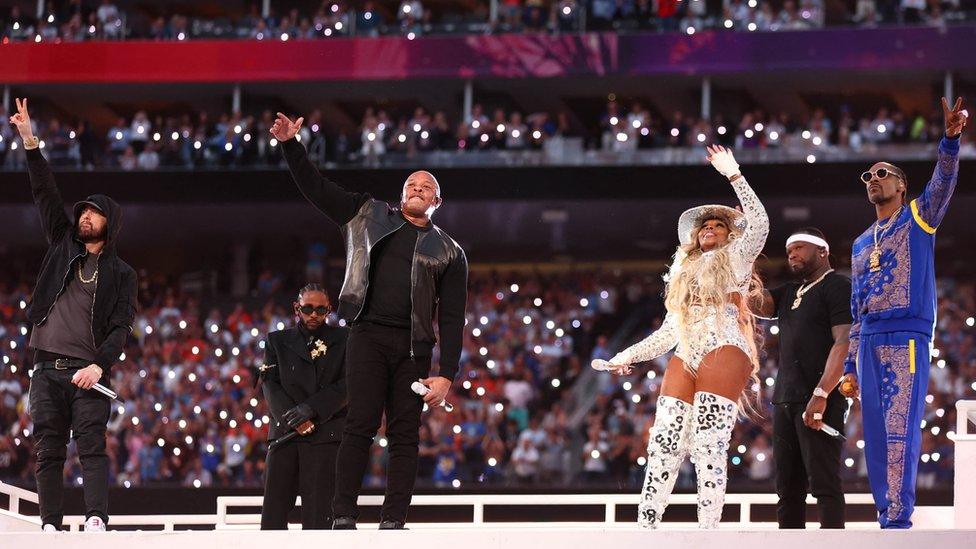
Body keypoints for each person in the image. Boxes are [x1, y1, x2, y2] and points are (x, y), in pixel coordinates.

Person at [271, 112, 468, 530]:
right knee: (359, 424)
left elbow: (452, 318)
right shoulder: (366, 213)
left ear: (437, 202)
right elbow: (316, 188)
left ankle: (394, 520)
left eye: (426, 187)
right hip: (366, 335)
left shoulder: (451, 252)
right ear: (401, 194)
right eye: (411, 185)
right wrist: (292, 145)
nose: (417, 189)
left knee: (404, 435)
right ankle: (342, 514)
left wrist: (446, 374)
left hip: (414, 347)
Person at [601, 144, 769, 529]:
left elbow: (759, 225)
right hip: (688, 349)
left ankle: (708, 530)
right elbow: (668, 332)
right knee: (664, 439)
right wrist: (626, 355)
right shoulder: (682, 274)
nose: (709, 229)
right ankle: (646, 527)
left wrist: (735, 175)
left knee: (709, 444)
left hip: (726, 345)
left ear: (729, 236)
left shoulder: (737, 258)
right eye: (704, 226)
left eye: (718, 226)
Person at [8, 98, 137, 532]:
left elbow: (121, 326)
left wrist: (100, 366)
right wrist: (30, 141)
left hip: (89, 373)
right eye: (82, 211)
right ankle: (49, 524)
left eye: (93, 213)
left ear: (109, 224)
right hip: (46, 369)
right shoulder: (62, 243)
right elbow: (45, 191)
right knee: (48, 450)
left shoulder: (122, 273)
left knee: (92, 448)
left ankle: (96, 520)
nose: (83, 217)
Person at [839, 97, 967, 529]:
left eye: (882, 174)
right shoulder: (859, 243)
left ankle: (898, 518)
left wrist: (949, 141)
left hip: (905, 336)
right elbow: (856, 309)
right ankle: (884, 515)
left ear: (901, 186)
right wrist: (848, 365)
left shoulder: (919, 216)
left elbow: (944, 182)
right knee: (874, 433)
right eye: (867, 176)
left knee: (900, 428)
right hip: (870, 337)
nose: (873, 180)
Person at [755, 228, 851, 528]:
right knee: (787, 489)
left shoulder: (837, 285)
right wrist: (738, 250)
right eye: (789, 250)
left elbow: (844, 342)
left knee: (824, 482)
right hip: (784, 398)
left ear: (822, 251)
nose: (792, 254)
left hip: (821, 397)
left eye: (799, 248)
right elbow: (748, 301)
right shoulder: (788, 292)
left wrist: (821, 394)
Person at [259, 284, 348, 530]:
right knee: (274, 513)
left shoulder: (344, 339)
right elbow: (270, 383)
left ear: (329, 310)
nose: (314, 315)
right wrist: (295, 419)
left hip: (325, 434)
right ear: (296, 308)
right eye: (308, 308)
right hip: (285, 435)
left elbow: (349, 383)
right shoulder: (276, 341)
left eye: (321, 310)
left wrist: (310, 410)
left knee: (319, 515)